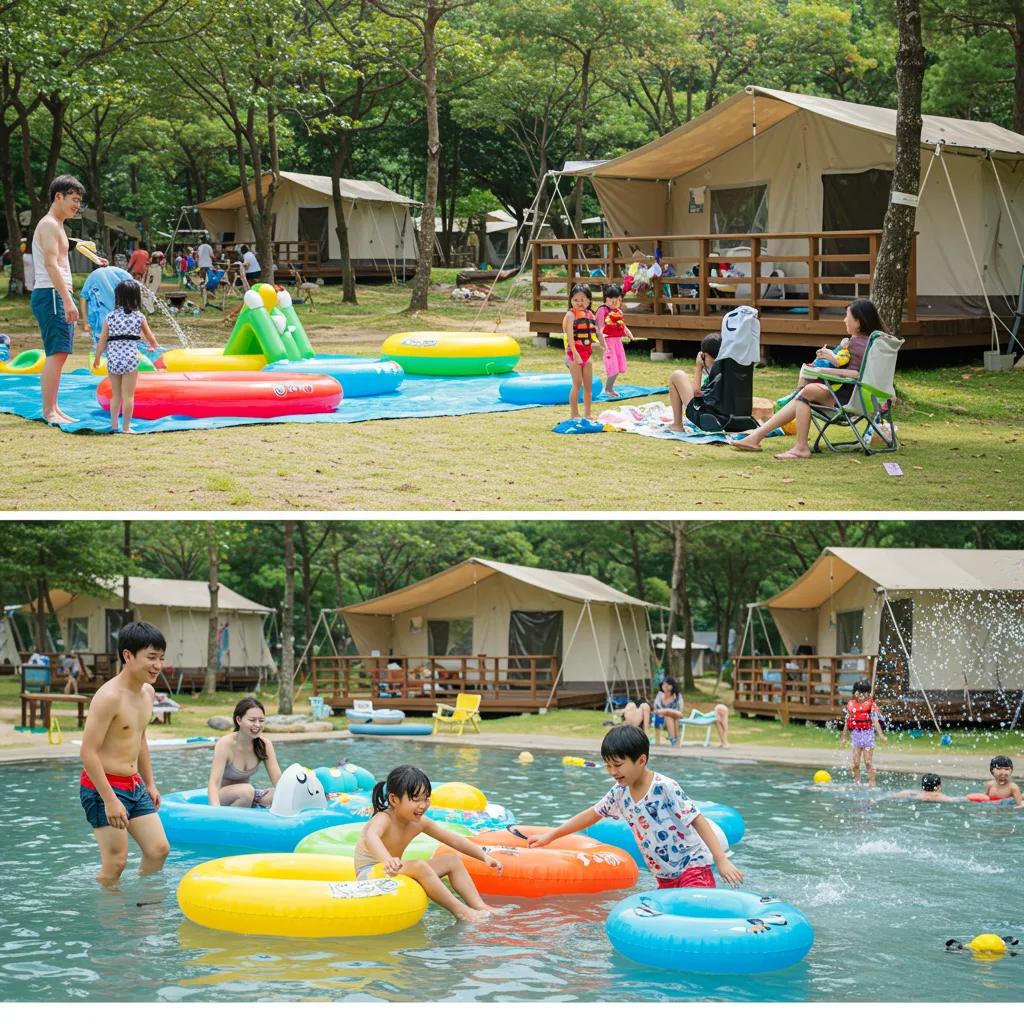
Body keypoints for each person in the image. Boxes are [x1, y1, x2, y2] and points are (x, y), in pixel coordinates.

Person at [528, 725, 743, 889]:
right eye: (608, 765)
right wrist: (551, 835)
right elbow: (591, 815)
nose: (613, 771)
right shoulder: (619, 793)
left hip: (693, 869)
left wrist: (721, 859)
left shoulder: (664, 787)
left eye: (618, 765)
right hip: (664, 877)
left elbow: (697, 819)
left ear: (641, 760)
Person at [729, 299, 887, 459]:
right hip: (865, 399)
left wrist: (820, 370)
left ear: (859, 321)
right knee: (802, 396)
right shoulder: (873, 342)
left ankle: (799, 447)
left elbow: (856, 375)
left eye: (847, 316)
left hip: (849, 399)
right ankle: (756, 437)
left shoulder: (857, 343)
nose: (844, 320)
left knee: (807, 391)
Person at [78, 621, 171, 887]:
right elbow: (88, 752)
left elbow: (139, 737)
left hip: (134, 785)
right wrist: (109, 800)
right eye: (151, 657)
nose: (157, 665)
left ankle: (143, 906)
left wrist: (150, 783)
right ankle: (112, 922)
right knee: (116, 862)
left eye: (161, 658)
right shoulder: (109, 697)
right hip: (103, 788)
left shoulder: (148, 693)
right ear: (127, 655)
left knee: (158, 850)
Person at [354, 765, 507, 923]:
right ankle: (461, 912)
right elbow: (371, 836)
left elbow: (453, 839)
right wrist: (387, 860)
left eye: (426, 798)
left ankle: (480, 905)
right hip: (370, 874)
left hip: (394, 870)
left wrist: (483, 856)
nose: (423, 805)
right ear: (393, 799)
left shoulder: (419, 822)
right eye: (415, 799)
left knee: (451, 861)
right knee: (419, 865)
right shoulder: (383, 819)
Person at [32, 175, 85, 424]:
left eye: (79, 201)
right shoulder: (50, 224)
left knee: (60, 353)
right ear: (58, 197)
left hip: (55, 294)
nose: (77, 205)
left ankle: (54, 408)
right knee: (57, 353)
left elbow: (61, 253)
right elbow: (51, 264)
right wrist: (67, 300)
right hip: (52, 294)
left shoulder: (57, 224)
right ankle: (49, 411)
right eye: (74, 200)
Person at [92, 279, 158, 433]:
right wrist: (153, 346)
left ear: (118, 297)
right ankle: (126, 427)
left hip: (113, 358)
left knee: (116, 395)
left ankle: (114, 425)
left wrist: (97, 358)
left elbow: (102, 341)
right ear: (136, 297)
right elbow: (151, 338)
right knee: (128, 396)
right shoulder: (139, 317)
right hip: (129, 358)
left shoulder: (110, 317)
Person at [207, 697, 282, 808]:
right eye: (252, 720)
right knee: (246, 791)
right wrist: (215, 811)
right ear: (239, 720)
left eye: (261, 720)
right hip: (223, 796)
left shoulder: (264, 745)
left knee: (278, 794)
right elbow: (214, 783)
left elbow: (278, 780)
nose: (257, 725)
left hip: (248, 795)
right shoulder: (225, 744)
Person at [77, 241, 132, 348]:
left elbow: (83, 298)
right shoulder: (120, 272)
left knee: (101, 350)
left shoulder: (93, 276)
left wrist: (85, 321)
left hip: (100, 320)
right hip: (121, 319)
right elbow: (133, 290)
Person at [667, 332, 724, 433]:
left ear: (704, 355)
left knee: (677, 375)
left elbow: (697, 393)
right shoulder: (728, 368)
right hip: (726, 419)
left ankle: (677, 425)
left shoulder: (714, 371)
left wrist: (698, 367)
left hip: (706, 419)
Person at [562, 283, 601, 420]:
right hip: (574, 353)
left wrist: (603, 345)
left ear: (589, 300)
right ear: (571, 300)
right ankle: (574, 414)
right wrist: (576, 354)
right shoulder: (571, 315)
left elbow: (595, 334)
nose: (579, 303)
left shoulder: (590, 315)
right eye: (575, 300)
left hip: (587, 352)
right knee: (577, 383)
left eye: (582, 299)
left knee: (588, 386)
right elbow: (570, 338)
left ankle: (588, 414)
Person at [839, 680, 887, 786]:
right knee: (856, 763)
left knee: (868, 762)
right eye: (858, 692)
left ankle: (872, 784)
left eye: (864, 692)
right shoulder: (850, 705)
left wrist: (881, 735)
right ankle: (857, 784)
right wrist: (843, 737)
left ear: (868, 693)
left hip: (868, 734)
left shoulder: (871, 705)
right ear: (854, 693)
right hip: (856, 734)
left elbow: (875, 721)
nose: (861, 695)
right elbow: (847, 723)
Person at [597, 283, 633, 398]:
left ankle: (610, 388)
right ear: (606, 299)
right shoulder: (602, 311)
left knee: (619, 365)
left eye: (617, 298)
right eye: (611, 298)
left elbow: (622, 325)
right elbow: (599, 328)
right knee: (612, 366)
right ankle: (608, 389)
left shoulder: (618, 311)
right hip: (608, 342)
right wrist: (603, 344)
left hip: (617, 342)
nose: (615, 301)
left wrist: (628, 333)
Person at [653, 676, 684, 745]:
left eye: (667, 685)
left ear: (672, 686)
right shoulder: (660, 695)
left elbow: (680, 710)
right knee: (669, 716)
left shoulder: (677, 696)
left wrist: (666, 711)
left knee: (670, 714)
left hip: (677, 714)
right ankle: (675, 741)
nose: (665, 686)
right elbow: (656, 708)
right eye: (664, 684)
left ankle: (673, 740)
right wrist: (666, 712)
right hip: (664, 717)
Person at [891, 773, 958, 802]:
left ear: (923, 786)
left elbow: (893, 795)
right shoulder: (943, 797)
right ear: (938, 786)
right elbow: (956, 800)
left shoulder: (914, 794)